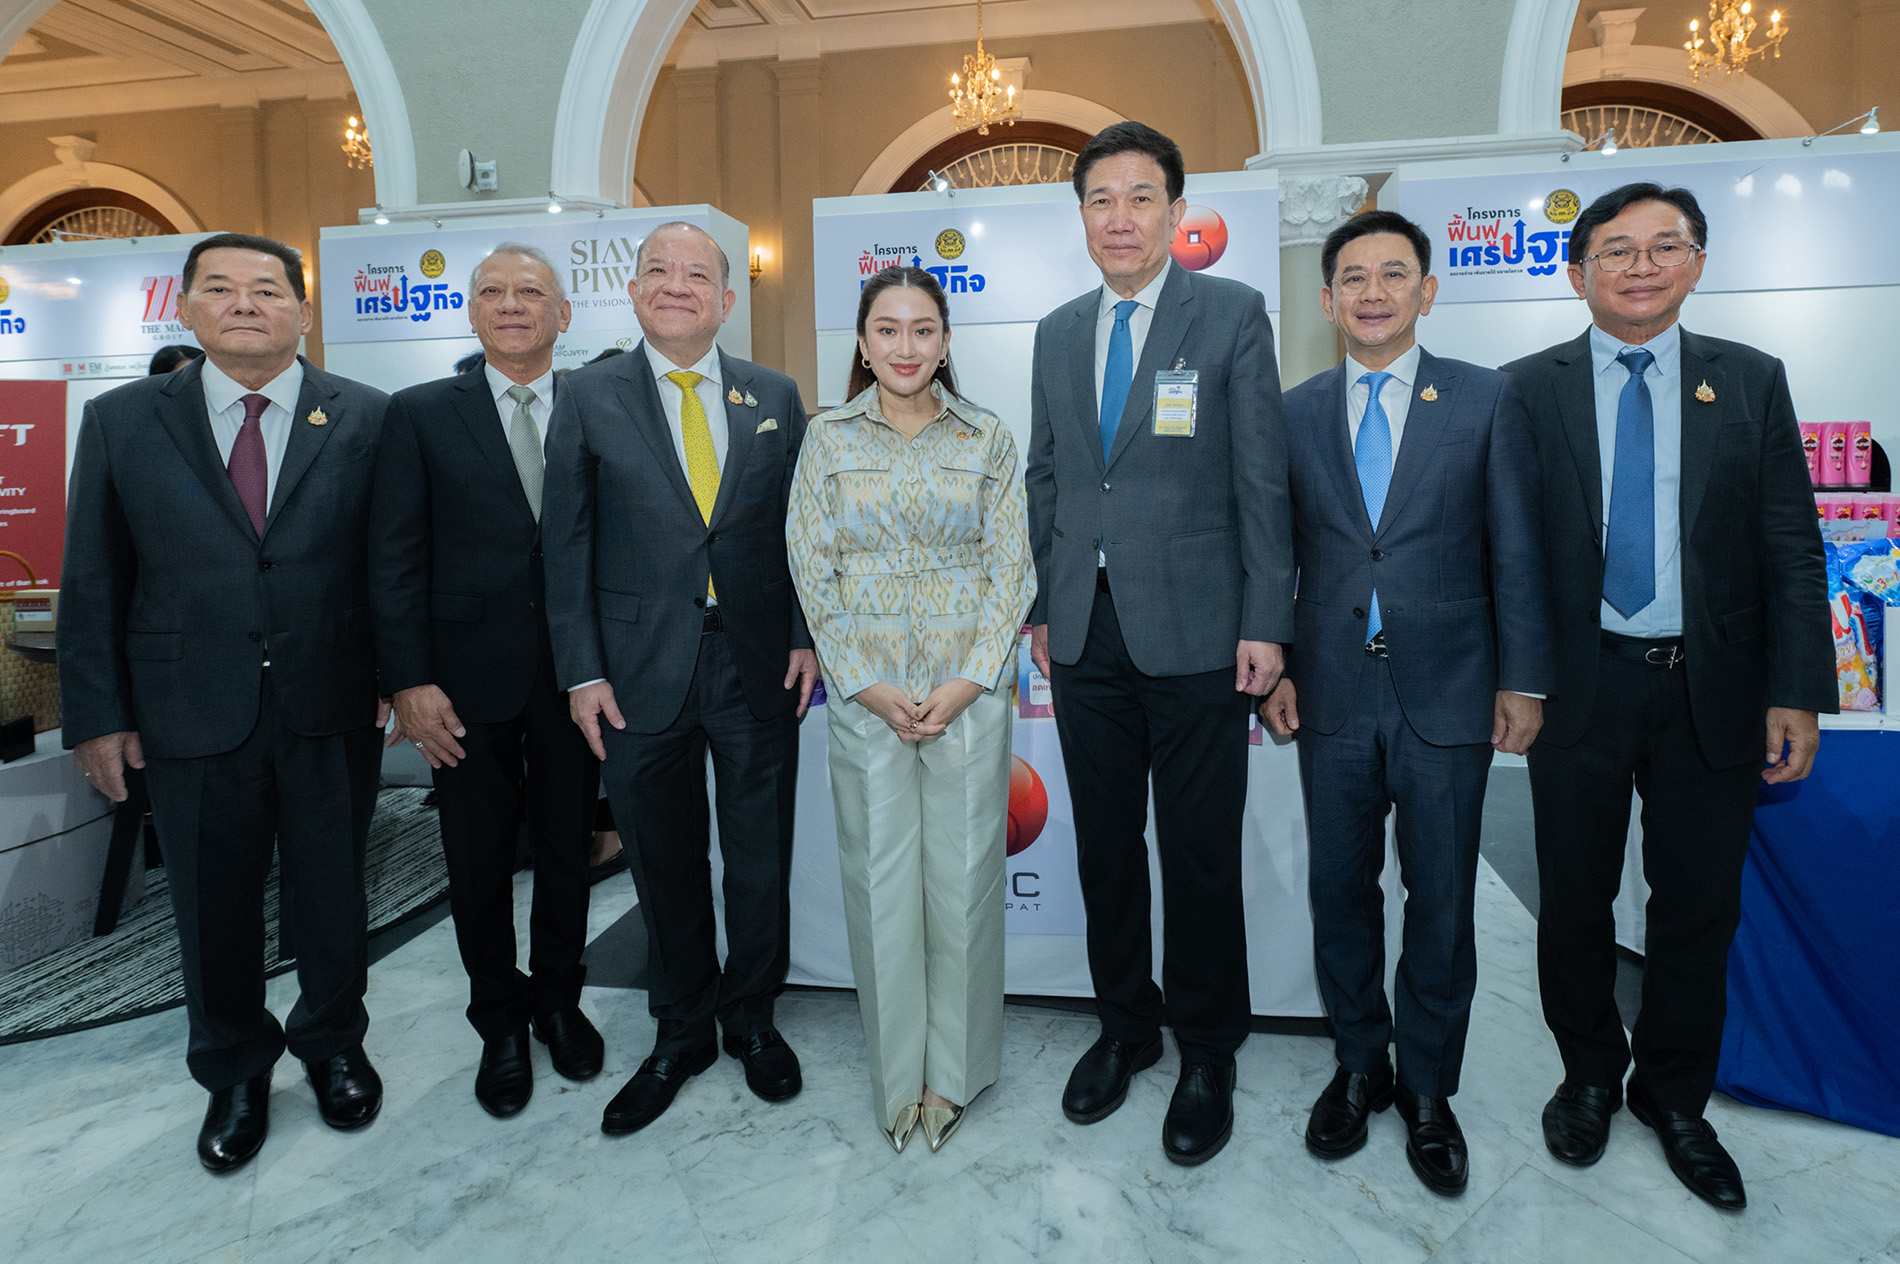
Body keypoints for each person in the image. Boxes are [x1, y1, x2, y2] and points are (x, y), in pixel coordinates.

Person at [1502, 182, 1834, 1211]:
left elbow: (1790, 543)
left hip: (1715, 686)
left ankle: (1675, 1093)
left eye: (1663, 247)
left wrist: (1796, 689)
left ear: (1696, 263)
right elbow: (1500, 549)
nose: (1639, 266)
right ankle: (1591, 1074)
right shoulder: (1524, 388)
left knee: (1698, 906)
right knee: (1574, 899)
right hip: (1578, 683)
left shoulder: (1749, 381)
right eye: (1615, 249)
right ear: (1576, 270)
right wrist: (1509, 675)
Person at [59, 232, 393, 1173]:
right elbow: (94, 577)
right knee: (211, 903)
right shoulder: (124, 421)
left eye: (267, 289)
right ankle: (235, 1070)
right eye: (222, 288)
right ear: (188, 306)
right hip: (187, 706)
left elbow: (391, 566)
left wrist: (401, 679)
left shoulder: (363, 417)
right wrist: (96, 713)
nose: (246, 303)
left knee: (333, 893)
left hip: (331, 699)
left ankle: (333, 1046)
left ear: (303, 310)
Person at [1261, 210, 1551, 1196]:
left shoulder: (1482, 398)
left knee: (1441, 900)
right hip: (1330, 691)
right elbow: (1275, 552)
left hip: (1451, 688)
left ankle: (1429, 1086)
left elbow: (1514, 545)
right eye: (1352, 276)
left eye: (1393, 273)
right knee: (1339, 891)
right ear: (1326, 298)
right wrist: (1277, 668)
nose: (1372, 291)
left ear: (1427, 290)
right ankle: (1358, 1063)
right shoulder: (1293, 410)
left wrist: (1522, 678)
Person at [1025, 121, 1294, 1166]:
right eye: (1102, 198)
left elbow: (1260, 481)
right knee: (1102, 849)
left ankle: (1206, 1050)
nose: (1121, 216)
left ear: (1177, 213)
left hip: (1196, 636)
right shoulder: (1055, 331)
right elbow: (1049, 478)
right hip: (1085, 640)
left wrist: (1265, 619)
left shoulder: (1227, 315)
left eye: (1142, 196)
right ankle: (1125, 1028)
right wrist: (1045, 610)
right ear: (1083, 217)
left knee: (1195, 855)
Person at [541, 221, 818, 1136]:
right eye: (657, 270)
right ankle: (681, 1029)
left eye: (696, 273)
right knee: (661, 861)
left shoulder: (772, 394)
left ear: (727, 299)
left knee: (759, 857)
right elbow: (565, 545)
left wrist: (807, 636)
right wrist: (580, 672)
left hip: (754, 664)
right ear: (634, 291)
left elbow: (800, 536)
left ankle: (752, 1018)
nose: (676, 284)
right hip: (632, 673)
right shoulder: (587, 395)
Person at [787, 267, 1035, 1154]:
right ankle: (899, 1082)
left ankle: (954, 1076)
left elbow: (1014, 572)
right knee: (881, 888)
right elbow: (811, 570)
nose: (904, 346)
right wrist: (866, 681)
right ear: (861, 343)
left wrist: (971, 678)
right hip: (868, 699)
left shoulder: (988, 438)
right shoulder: (827, 441)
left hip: (968, 697)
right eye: (886, 330)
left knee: (965, 888)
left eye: (922, 329)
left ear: (945, 341)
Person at [368, 242, 603, 1119]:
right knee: (475, 859)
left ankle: (559, 1002)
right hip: (459, 688)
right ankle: (498, 1021)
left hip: (580, 677)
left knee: (570, 851)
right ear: (469, 311)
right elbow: (393, 558)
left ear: (563, 314)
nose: (513, 305)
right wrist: (407, 681)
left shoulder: (600, 402)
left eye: (532, 292)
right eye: (493, 292)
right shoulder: (420, 413)